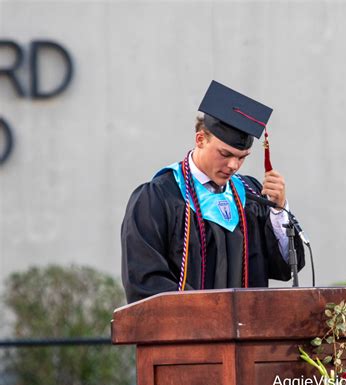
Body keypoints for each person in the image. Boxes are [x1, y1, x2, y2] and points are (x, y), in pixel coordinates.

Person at [121, 80, 305, 303]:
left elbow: (284, 268)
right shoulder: (159, 197)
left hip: (248, 332)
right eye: (225, 154)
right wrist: (206, 314)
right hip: (187, 332)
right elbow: (144, 280)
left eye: (242, 157)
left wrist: (278, 210)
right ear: (200, 139)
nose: (233, 166)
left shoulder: (251, 193)